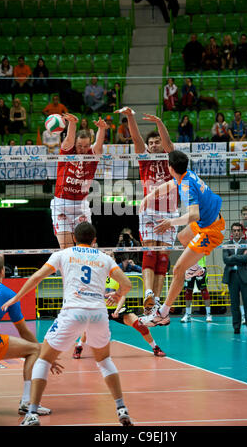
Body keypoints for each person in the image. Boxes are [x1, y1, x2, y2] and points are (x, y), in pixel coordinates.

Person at [1, 222, 134, 426]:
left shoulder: (63, 254)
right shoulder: (105, 258)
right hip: (98, 314)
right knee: (104, 360)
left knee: (43, 360)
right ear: (95, 239)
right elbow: (127, 284)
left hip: (74, 312)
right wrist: (117, 295)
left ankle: (32, 414)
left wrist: (16, 298)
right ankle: (121, 408)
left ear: (73, 237)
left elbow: (37, 277)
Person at [138, 149, 225, 327]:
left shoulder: (185, 186)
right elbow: (169, 186)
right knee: (182, 236)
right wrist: (147, 197)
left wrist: (171, 221)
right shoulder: (187, 175)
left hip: (210, 231)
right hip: (209, 221)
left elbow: (194, 214)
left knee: (178, 270)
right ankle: (194, 269)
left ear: (170, 168)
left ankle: (162, 313)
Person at [115, 107, 179, 312]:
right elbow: (135, 138)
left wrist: (160, 124)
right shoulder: (144, 159)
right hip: (150, 211)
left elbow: (169, 144)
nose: (153, 145)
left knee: (163, 258)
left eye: (156, 142)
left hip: (170, 213)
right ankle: (148, 293)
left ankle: (157, 301)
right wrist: (130, 117)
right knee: (150, 253)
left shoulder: (171, 159)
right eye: (150, 143)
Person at [0, 255, 55, 416]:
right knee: (33, 351)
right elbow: (23, 332)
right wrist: (46, 353)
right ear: (3, 272)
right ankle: (26, 402)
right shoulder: (9, 294)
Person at [73, 274, 165, 359]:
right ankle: (79, 347)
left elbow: (123, 296)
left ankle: (155, 347)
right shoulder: (95, 276)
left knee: (140, 325)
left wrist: (117, 310)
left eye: (112, 256)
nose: (109, 258)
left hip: (118, 308)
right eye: (107, 256)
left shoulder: (118, 277)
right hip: (100, 309)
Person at [50, 113, 107, 249]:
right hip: (61, 205)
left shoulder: (92, 156)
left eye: (86, 146)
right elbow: (69, 140)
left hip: (81, 206)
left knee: (86, 249)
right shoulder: (67, 152)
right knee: (66, 249)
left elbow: (98, 145)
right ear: (75, 144)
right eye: (80, 145)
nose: (82, 149)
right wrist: (73, 123)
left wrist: (102, 129)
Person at [222, 223, 247, 334]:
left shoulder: (246, 243)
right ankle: (236, 327)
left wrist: (234, 257)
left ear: (242, 232)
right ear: (231, 232)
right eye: (234, 230)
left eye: (238, 230)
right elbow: (225, 260)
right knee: (234, 303)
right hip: (232, 276)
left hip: (244, 276)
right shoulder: (227, 244)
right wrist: (239, 258)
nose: (236, 232)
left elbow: (246, 258)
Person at [181, 256, 212, 323]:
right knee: (188, 291)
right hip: (190, 268)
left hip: (201, 268)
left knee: (204, 290)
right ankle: (187, 314)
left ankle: (208, 314)